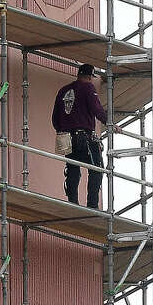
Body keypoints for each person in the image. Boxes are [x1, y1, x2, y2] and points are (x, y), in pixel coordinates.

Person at [52, 63, 107, 209]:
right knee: (97, 169)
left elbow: (55, 119)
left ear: (78, 74)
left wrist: (63, 130)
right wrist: (109, 122)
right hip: (84, 136)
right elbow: (97, 109)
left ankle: (72, 203)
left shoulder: (63, 90)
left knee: (73, 169)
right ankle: (92, 205)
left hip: (66, 137)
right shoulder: (88, 88)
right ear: (90, 76)